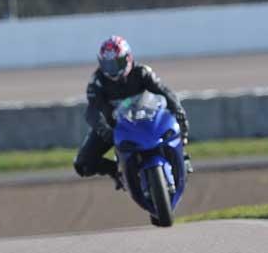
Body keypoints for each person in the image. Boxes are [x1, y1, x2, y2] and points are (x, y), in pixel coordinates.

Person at [74, 35, 192, 189]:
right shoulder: (97, 82)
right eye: (108, 65)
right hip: (115, 126)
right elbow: (92, 112)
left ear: (128, 58)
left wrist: (178, 112)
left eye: (117, 63)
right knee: (83, 164)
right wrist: (105, 130)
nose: (112, 70)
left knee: (173, 129)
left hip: (147, 117)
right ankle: (117, 172)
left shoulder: (142, 72)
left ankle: (181, 157)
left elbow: (165, 92)